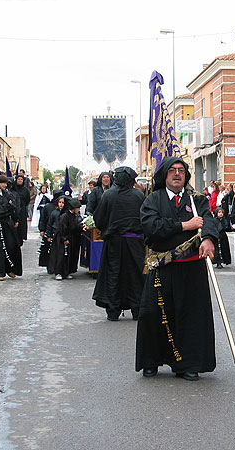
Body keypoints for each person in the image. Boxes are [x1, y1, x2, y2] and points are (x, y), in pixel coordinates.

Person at [136, 156, 217, 381]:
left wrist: (208, 238)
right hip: (163, 268)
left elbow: (209, 220)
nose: (177, 174)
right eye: (172, 170)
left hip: (192, 270)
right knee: (154, 314)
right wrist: (185, 225)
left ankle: (188, 364)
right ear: (165, 175)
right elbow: (151, 227)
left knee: (190, 317)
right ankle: (151, 361)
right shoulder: (153, 200)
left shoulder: (196, 200)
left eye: (181, 170)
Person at [92, 166, 146, 320]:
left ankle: (113, 309)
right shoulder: (138, 195)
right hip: (135, 243)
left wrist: (107, 229)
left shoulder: (109, 195)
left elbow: (99, 219)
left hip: (115, 242)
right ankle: (137, 308)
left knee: (113, 274)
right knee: (135, 274)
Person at [49, 199, 85, 280]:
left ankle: (67, 272)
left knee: (69, 256)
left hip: (71, 238)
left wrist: (81, 227)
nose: (79, 209)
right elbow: (62, 228)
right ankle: (59, 272)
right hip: (63, 239)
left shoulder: (74, 215)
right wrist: (64, 238)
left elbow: (75, 226)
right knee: (61, 256)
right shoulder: (64, 216)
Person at [45, 195, 66, 274]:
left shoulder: (66, 213)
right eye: (60, 202)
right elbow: (49, 224)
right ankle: (52, 268)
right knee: (54, 253)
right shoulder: (54, 213)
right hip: (55, 234)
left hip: (63, 235)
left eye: (63, 203)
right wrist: (49, 235)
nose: (61, 204)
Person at [11, 174, 30, 242]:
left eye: (21, 179)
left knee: (22, 223)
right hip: (14, 208)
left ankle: (22, 237)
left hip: (22, 208)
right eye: (18, 179)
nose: (20, 180)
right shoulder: (13, 189)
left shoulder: (25, 190)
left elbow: (28, 199)